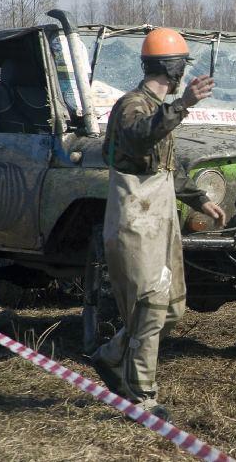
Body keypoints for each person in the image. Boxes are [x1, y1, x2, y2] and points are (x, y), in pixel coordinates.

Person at [90, 27, 226, 420]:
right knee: (150, 303)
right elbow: (138, 138)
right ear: (174, 68)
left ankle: (112, 355)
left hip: (161, 215)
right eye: (183, 65)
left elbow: (165, 165)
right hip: (136, 216)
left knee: (172, 308)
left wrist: (199, 198)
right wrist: (183, 104)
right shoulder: (132, 105)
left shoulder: (159, 108)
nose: (185, 73)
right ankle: (141, 395)